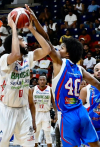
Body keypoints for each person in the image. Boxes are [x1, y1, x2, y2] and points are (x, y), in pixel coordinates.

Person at [26, 5, 100, 147]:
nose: (58, 49)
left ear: (67, 54)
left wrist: (32, 28)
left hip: (67, 115)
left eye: (62, 48)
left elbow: (46, 42)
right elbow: (97, 84)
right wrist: (35, 20)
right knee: (95, 143)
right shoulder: (80, 69)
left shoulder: (60, 62)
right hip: (81, 111)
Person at [0, 7, 51, 147]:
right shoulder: (4, 58)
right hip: (6, 110)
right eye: (21, 40)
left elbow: (47, 49)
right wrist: (14, 28)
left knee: (30, 145)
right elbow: (16, 55)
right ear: (14, 43)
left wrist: (32, 28)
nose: (25, 41)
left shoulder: (28, 57)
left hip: (23, 109)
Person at [32, 75, 57, 147]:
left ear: (46, 81)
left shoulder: (50, 89)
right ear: (38, 81)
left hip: (46, 113)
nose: (42, 81)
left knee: (48, 135)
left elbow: (54, 102)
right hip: (37, 113)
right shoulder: (33, 89)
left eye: (44, 80)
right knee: (35, 134)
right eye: (41, 80)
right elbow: (29, 103)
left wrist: (55, 113)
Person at [80, 63, 100, 146]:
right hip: (91, 129)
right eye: (97, 70)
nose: (99, 72)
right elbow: (78, 109)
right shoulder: (86, 90)